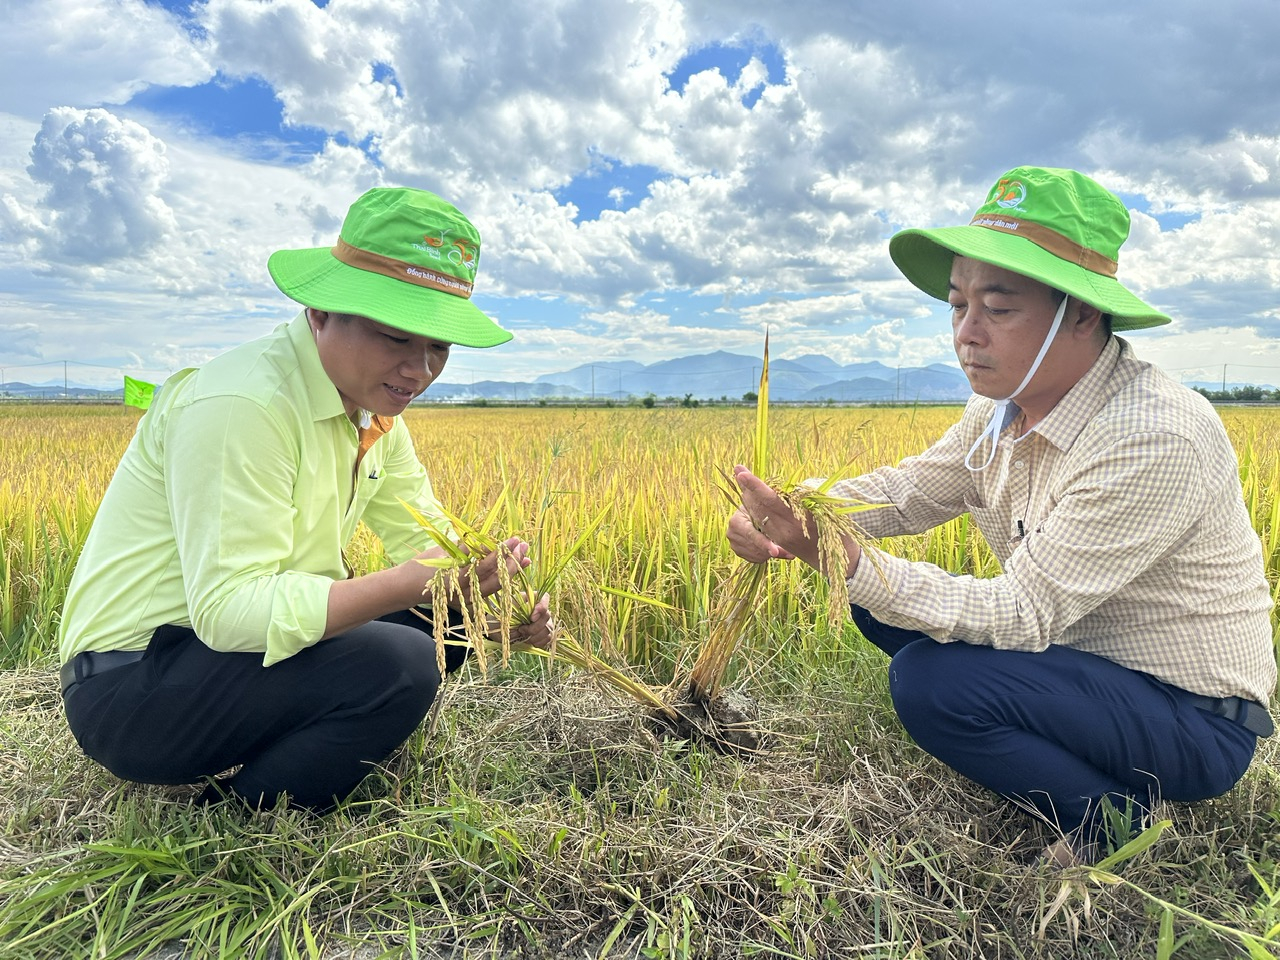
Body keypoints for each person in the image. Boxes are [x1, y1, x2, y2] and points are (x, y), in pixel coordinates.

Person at [727, 166, 1276, 863]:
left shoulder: (1152, 434)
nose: (966, 333)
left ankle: (1114, 821)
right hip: (1083, 661)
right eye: (957, 305)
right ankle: (1066, 762)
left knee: (929, 681)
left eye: (999, 307)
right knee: (878, 602)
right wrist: (803, 509)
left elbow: (1022, 615)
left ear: (1080, 312)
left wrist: (840, 555)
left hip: (1191, 717)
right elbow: (918, 488)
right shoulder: (1001, 405)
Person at [58, 186, 553, 813]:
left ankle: (278, 763)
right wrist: (407, 584)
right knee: (400, 660)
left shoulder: (374, 420)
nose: (419, 370)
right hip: (134, 683)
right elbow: (229, 610)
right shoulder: (244, 406)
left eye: (438, 348)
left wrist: (494, 612)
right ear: (320, 312)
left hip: (219, 661)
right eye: (396, 338)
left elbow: (427, 543)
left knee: (444, 624)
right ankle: (242, 819)